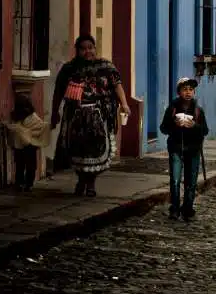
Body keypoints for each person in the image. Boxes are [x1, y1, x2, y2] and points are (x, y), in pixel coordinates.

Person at [50, 35, 128, 197]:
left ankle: (90, 182)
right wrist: (54, 112)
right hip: (75, 117)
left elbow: (117, 85)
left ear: (95, 48)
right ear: (77, 50)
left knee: (95, 150)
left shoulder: (106, 66)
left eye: (90, 47)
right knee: (78, 151)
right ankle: (82, 180)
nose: (87, 51)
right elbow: (58, 92)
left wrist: (125, 104)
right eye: (83, 48)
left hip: (98, 116)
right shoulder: (69, 69)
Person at [160, 77, 209, 222]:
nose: (188, 92)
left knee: (191, 182)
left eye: (191, 89)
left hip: (193, 150)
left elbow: (205, 131)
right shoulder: (173, 108)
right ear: (179, 92)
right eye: (185, 89)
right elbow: (163, 128)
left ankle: (187, 208)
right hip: (176, 148)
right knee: (175, 180)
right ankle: (174, 209)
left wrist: (193, 126)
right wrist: (174, 124)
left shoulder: (198, 110)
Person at [8, 94, 48, 191]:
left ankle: (26, 183)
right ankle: (22, 183)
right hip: (21, 144)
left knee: (27, 165)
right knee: (21, 165)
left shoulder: (32, 117)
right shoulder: (16, 116)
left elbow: (40, 127)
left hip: (29, 145)